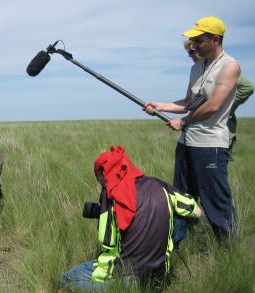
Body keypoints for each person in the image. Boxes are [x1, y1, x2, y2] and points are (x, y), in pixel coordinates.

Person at [143, 16, 241, 247]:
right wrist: (161, 105)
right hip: (187, 144)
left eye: (199, 40)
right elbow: (190, 101)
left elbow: (213, 105)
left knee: (216, 202)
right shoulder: (197, 67)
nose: (194, 45)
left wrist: (184, 122)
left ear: (215, 39)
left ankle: (230, 252)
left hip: (210, 147)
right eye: (193, 40)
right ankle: (176, 247)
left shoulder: (230, 67)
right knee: (182, 198)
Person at [61, 146, 202, 292]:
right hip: (160, 274)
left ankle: (122, 287)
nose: (100, 183)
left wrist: (104, 213)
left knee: (68, 279)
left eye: (98, 177)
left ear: (104, 173)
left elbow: (107, 242)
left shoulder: (111, 196)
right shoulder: (160, 186)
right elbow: (197, 212)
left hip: (127, 275)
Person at [184, 40, 254, 153]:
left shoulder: (222, 68)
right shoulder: (197, 70)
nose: (190, 55)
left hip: (218, 132)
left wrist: (225, 104)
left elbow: (247, 87)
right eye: (189, 52)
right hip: (199, 132)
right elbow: (188, 100)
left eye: (192, 51)